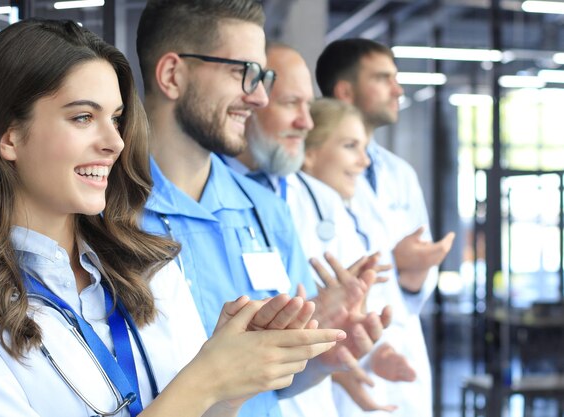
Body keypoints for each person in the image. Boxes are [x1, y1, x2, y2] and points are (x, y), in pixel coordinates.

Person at [0, 19, 346, 417]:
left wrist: (232, 383)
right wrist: (207, 376)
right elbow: (195, 391)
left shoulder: (151, 269)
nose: (114, 141)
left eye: (116, 118)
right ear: (9, 136)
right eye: (83, 117)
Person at [136, 2, 386, 417]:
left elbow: (273, 384)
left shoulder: (265, 212)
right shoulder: (103, 212)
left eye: (263, 77)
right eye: (242, 73)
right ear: (172, 75)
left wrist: (322, 356)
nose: (259, 97)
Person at [231, 44, 411, 417]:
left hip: (311, 393)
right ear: (250, 103)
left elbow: (345, 313)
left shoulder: (316, 198)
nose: (306, 121)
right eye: (290, 104)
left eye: (308, 106)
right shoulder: (226, 196)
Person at [316, 39, 456, 417]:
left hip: (401, 346)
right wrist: (395, 261)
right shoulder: (313, 173)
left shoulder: (400, 173)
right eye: (383, 78)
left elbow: (410, 284)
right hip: (343, 366)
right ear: (345, 91)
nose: (398, 89)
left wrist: (413, 273)